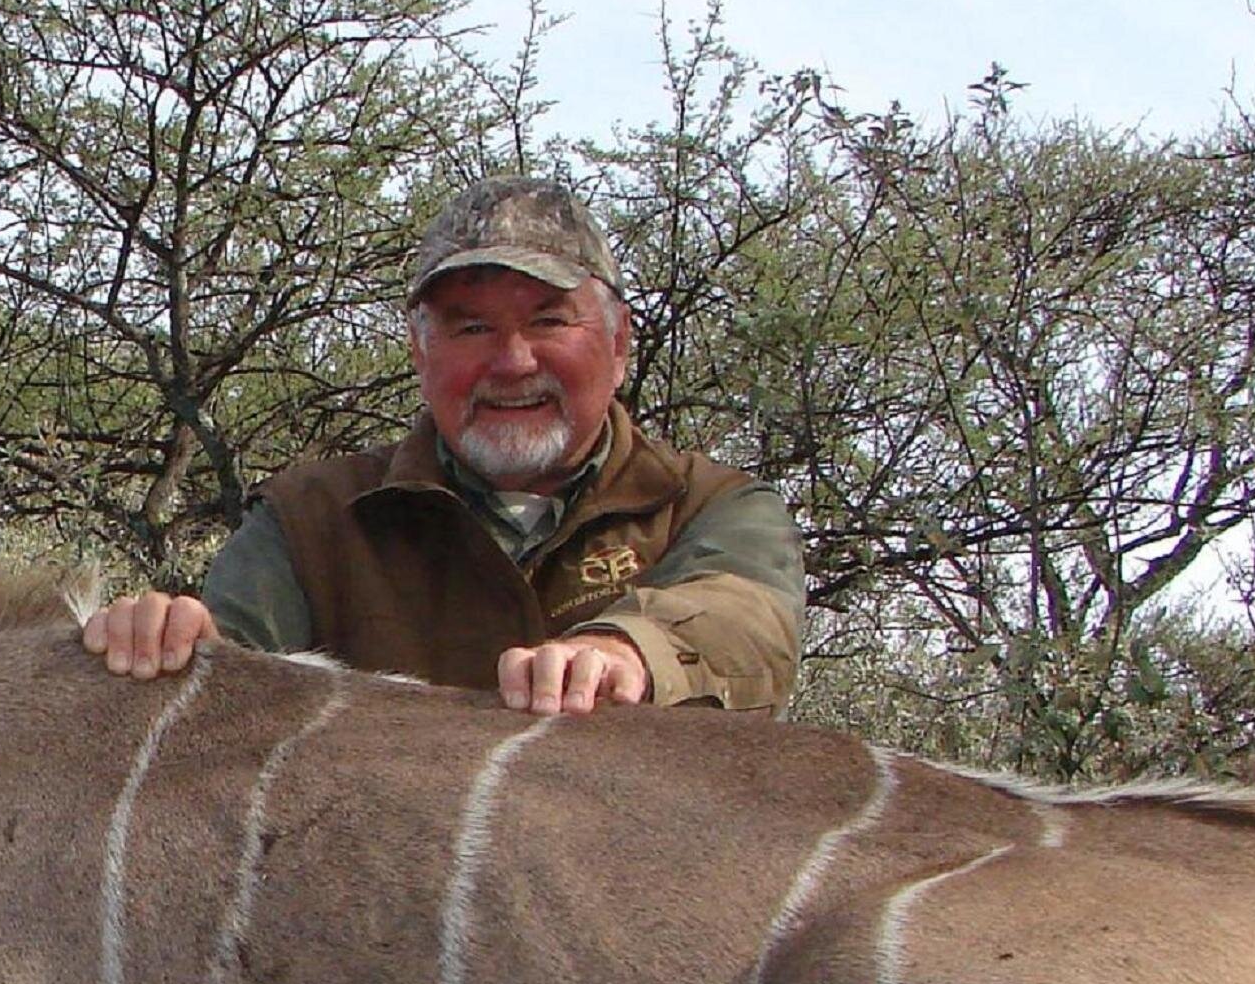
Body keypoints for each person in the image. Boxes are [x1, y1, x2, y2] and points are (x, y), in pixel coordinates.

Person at [82, 179, 803, 712]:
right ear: (421, 355)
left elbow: (748, 619)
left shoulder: (712, 508)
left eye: (549, 320)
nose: (513, 360)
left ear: (618, 344)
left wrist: (624, 650)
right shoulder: (312, 519)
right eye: (470, 328)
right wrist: (173, 641)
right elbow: (233, 670)